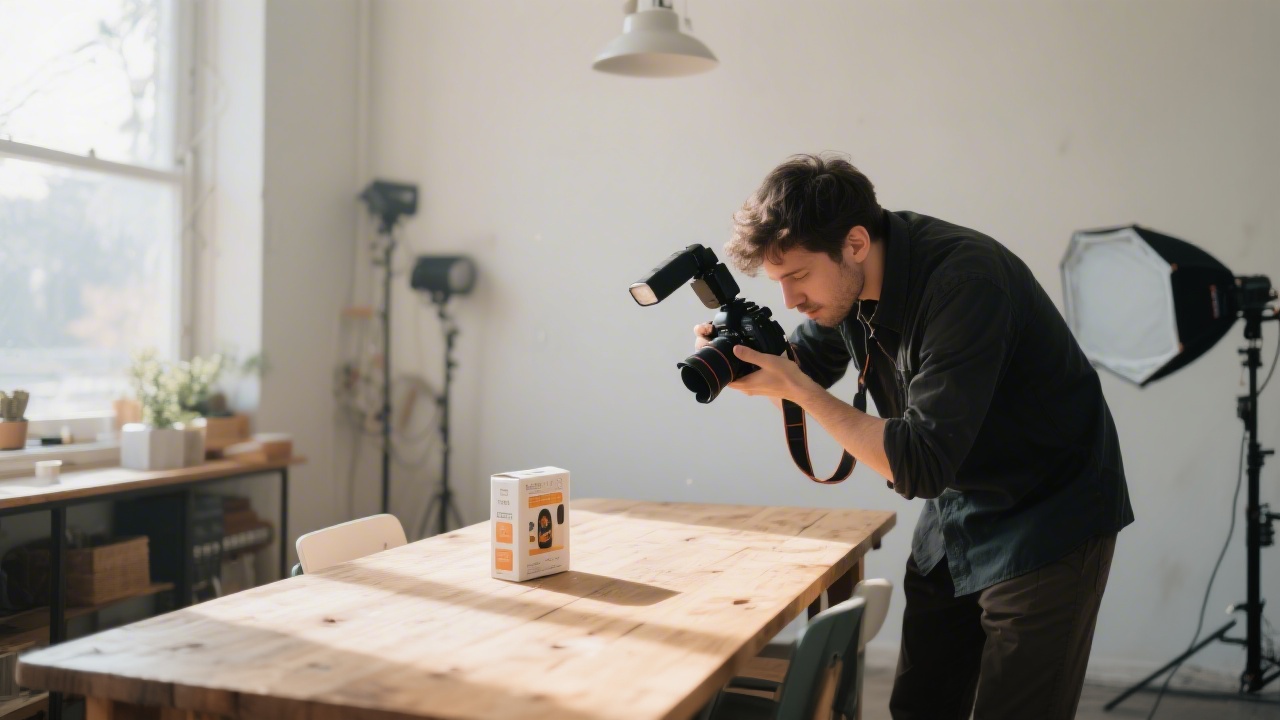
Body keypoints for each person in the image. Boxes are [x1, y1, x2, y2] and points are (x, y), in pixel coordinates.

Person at [696, 153, 1134, 719]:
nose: (792, 300)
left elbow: (921, 464)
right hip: (956, 513)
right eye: (779, 283)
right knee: (921, 707)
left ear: (854, 243)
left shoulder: (965, 284)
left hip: (1047, 514)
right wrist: (741, 353)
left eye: (798, 277)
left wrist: (799, 391)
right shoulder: (848, 288)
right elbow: (804, 362)